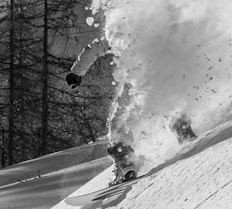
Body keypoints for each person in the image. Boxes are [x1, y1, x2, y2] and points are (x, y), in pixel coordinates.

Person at [67, 34, 195, 185]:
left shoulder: (118, 29)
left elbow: (95, 48)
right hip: (158, 74)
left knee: (119, 123)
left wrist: (76, 73)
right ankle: (184, 132)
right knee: (165, 100)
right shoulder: (150, 23)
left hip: (137, 79)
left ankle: (126, 161)